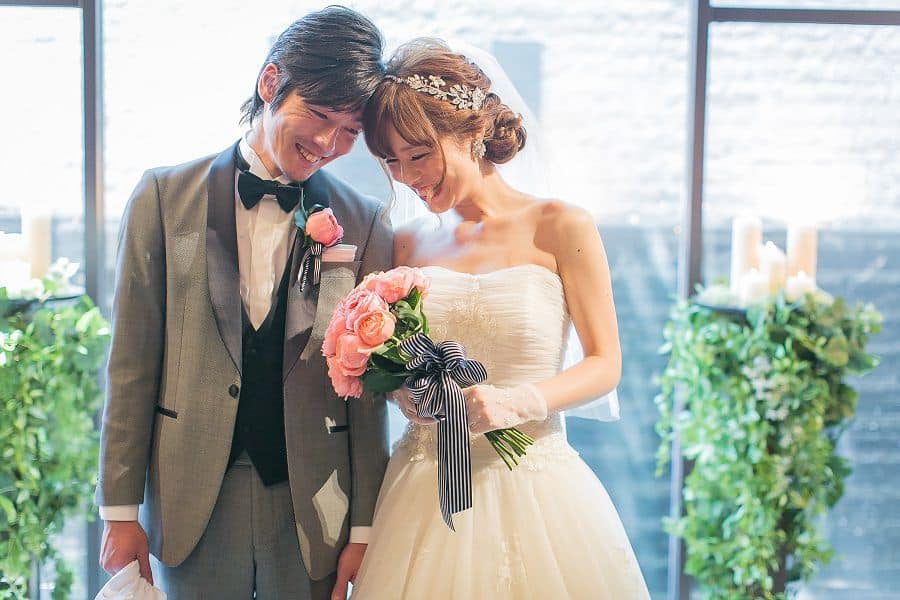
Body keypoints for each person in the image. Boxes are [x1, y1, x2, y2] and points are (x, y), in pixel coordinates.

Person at [94, 7, 392, 599]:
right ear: (270, 82)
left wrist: (364, 529)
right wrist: (120, 511)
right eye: (320, 115)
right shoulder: (162, 198)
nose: (327, 144)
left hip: (314, 505)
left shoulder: (364, 221)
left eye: (348, 132)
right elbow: (131, 363)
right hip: (191, 500)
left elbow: (368, 394)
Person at [350, 38, 651, 598]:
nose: (408, 176)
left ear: (471, 132)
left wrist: (519, 402)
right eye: (391, 162)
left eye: (419, 155)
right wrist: (405, 394)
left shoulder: (560, 225)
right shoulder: (405, 242)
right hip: (425, 486)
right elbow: (393, 359)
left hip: (536, 482)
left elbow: (605, 364)